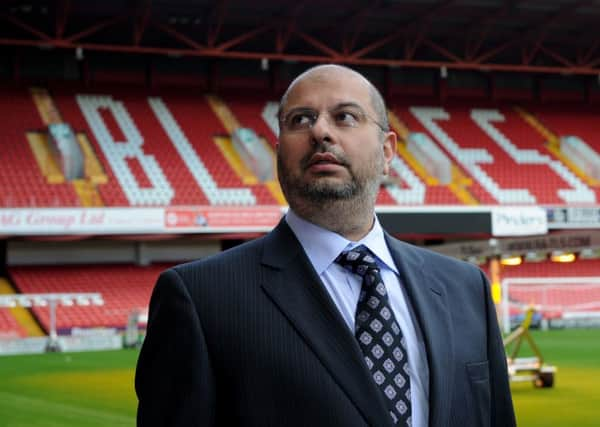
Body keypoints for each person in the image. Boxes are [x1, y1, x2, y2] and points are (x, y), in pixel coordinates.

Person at [135, 64, 516, 427]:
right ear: (279, 149)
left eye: (345, 116)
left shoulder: (466, 288)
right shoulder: (200, 299)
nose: (320, 131)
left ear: (387, 152)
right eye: (300, 119)